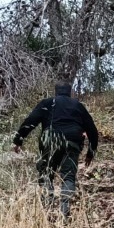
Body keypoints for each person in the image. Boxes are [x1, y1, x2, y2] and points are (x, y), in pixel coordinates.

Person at [12, 81, 99, 218]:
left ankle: (47, 209)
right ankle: (64, 211)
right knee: (68, 177)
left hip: (50, 141)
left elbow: (31, 121)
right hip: (72, 143)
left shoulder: (47, 103)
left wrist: (18, 140)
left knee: (46, 173)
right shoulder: (78, 106)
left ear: (55, 92)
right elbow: (92, 130)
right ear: (70, 92)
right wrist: (90, 153)